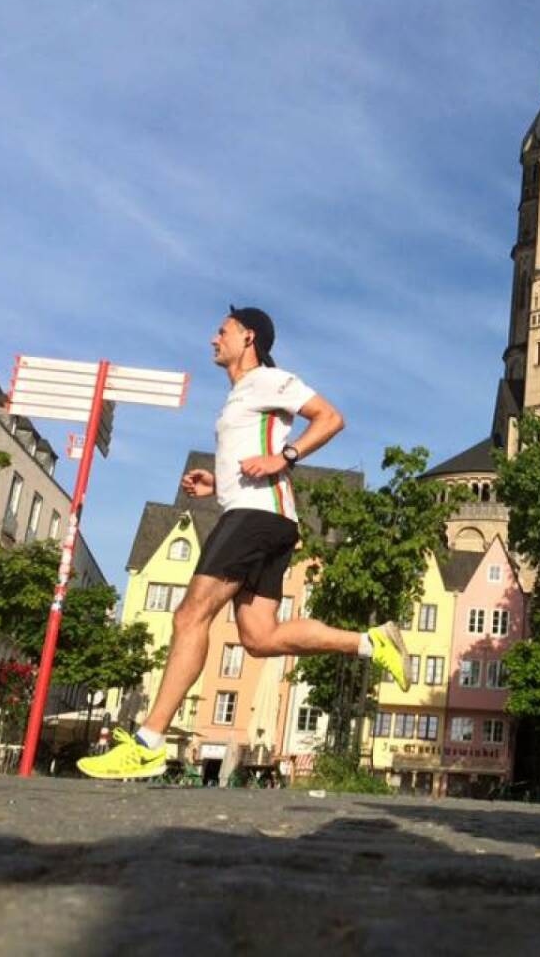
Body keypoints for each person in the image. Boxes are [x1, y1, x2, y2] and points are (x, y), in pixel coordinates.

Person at [80, 307, 410, 779]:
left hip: (256, 518)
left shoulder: (267, 380)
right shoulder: (241, 395)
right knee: (259, 637)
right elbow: (253, 454)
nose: (214, 338)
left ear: (248, 337)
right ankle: (370, 643)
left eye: (223, 331)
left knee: (190, 614)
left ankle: (148, 742)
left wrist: (286, 457)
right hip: (265, 515)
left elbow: (330, 417)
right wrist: (217, 482)